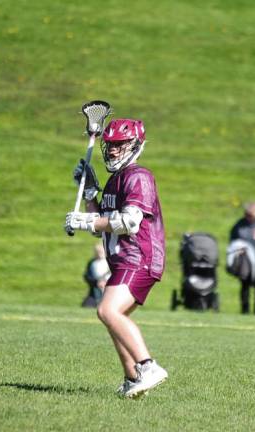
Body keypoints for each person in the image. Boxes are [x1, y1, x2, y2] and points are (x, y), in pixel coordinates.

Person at [64, 118, 168, 398]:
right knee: (113, 319)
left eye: (120, 145)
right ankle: (132, 377)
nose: (112, 150)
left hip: (140, 257)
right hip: (124, 260)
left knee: (107, 311)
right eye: (109, 144)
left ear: (136, 145)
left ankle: (148, 367)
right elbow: (102, 225)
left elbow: (128, 222)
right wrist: (88, 193)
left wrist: (85, 221)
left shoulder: (139, 176)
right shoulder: (114, 181)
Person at [81, 243, 110, 308]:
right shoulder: (92, 263)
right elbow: (87, 277)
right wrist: (97, 282)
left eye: (101, 252)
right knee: (87, 305)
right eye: (98, 252)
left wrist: (106, 282)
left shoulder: (110, 261)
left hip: (110, 288)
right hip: (95, 290)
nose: (100, 254)